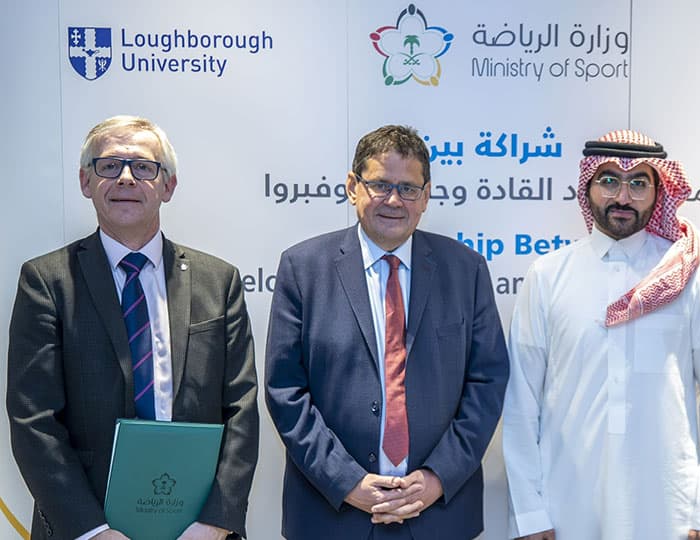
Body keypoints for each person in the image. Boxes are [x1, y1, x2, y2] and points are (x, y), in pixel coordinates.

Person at [6, 115, 259, 540]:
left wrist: (217, 520)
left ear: (168, 186)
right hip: (85, 527)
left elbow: (242, 409)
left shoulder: (220, 281)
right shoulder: (46, 282)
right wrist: (92, 531)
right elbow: (34, 420)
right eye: (109, 165)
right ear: (86, 182)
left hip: (199, 529)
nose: (126, 178)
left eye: (143, 166)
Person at [502, 129, 700, 540]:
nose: (623, 196)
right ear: (587, 187)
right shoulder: (548, 276)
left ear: (659, 191)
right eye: (609, 180)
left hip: (670, 507)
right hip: (567, 506)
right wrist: (530, 514)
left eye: (638, 182)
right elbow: (521, 402)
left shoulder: (691, 276)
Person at [264, 124, 509, 540]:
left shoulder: (466, 270)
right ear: (352, 186)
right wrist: (346, 482)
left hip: (439, 517)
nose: (394, 200)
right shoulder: (302, 268)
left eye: (408, 188)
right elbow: (286, 390)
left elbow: (486, 384)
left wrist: (436, 478)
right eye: (380, 184)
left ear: (426, 195)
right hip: (332, 515)